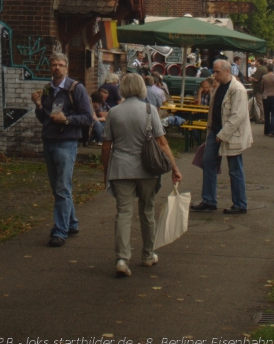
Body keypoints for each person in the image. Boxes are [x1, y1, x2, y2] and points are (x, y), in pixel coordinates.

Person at [101, 72, 182, 277]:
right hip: (147, 168)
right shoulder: (149, 110)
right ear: (142, 88)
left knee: (123, 213)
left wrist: (106, 170)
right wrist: (174, 168)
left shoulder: (114, 112)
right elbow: (162, 143)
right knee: (147, 210)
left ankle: (122, 258)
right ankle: (147, 254)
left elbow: (106, 147)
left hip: (120, 168)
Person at [32, 52, 94, 246]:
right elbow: (44, 119)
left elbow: (87, 117)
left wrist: (67, 120)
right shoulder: (47, 90)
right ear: (49, 68)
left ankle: (60, 231)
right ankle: (72, 223)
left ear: (66, 68)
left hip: (66, 143)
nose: (57, 68)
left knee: (62, 187)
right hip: (49, 141)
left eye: (60, 65)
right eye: (53, 65)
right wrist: (38, 105)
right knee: (57, 187)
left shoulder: (76, 89)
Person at [190, 59, 252, 215]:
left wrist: (223, 134)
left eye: (217, 72)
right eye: (214, 71)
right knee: (207, 163)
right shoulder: (219, 88)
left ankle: (240, 203)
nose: (214, 75)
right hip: (215, 132)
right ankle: (209, 200)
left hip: (231, 135)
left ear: (227, 71)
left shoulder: (237, 89)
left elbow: (237, 116)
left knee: (235, 169)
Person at [261, 65, 274, 136]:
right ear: (273, 70)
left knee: (266, 114)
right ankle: (272, 131)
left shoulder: (264, 77)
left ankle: (266, 130)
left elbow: (262, 87)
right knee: (273, 114)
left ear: (267, 69)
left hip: (266, 96)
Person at [250, 58, 267, 125]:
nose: (255, 63)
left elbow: (256, 79)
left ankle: (262, 118)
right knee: (261, 103)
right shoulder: (264, 68)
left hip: (258, 89)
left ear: (258, 62)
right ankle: (263, 117)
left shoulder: (260, 69)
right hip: (262, 88)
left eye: (256, 61)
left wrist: (252, 78)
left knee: (260, 104)